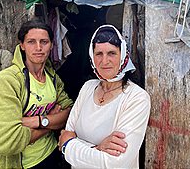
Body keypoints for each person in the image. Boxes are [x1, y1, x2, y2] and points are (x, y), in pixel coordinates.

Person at [0, 19, 73, 168]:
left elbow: (69, 112)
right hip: (21, 164)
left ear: (51, 45)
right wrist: (50, 122)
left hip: (50, 153)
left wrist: (37, 121)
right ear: (22, 45)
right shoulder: (8, 81)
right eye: (31, 42)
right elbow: (8, 142)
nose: (38, 47)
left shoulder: (52, 78)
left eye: (44, 42)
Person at [58, 25, 151, 168]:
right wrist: (97, 148)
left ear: (123, 55)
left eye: (112, 53)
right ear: (91, 55)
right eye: (99, 54)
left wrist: (70, 146)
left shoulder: (137, 98)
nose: (104, 61)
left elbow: (115, 163)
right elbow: (66, 134)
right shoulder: (88, 87)